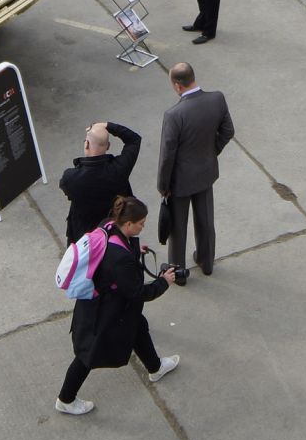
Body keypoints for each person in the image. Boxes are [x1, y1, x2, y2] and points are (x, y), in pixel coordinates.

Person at [53, 194, 180, 416]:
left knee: (138, 327)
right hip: (105, 314)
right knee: (87, 356)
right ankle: (65, 399)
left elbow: (113, 255)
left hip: (106, 307)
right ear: (128, 223)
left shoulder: (108, 225)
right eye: (140, 224)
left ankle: (155, 367)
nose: (142, 227)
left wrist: (134, 251)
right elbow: (138, 292)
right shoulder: (120, 260)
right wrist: (164, 281)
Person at [158, 62, 234, 282]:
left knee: (178, 229)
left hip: (180, 182)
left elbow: (167, 156)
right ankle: (206, 261)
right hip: (205, 173)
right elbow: (228, 130)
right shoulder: (217, 98)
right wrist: (211, 153)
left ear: (177, 85)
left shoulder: (174, 115)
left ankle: (178, 273)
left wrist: (163, 186)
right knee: (205, 220)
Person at [60, 121, 142, 244]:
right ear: (108, 146)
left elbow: (67, 191)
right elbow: (134, 139)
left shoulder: (70, 178)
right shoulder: (119, 169)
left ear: (86, 144)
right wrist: (107, 125)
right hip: (114, 235)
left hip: (84, 239)